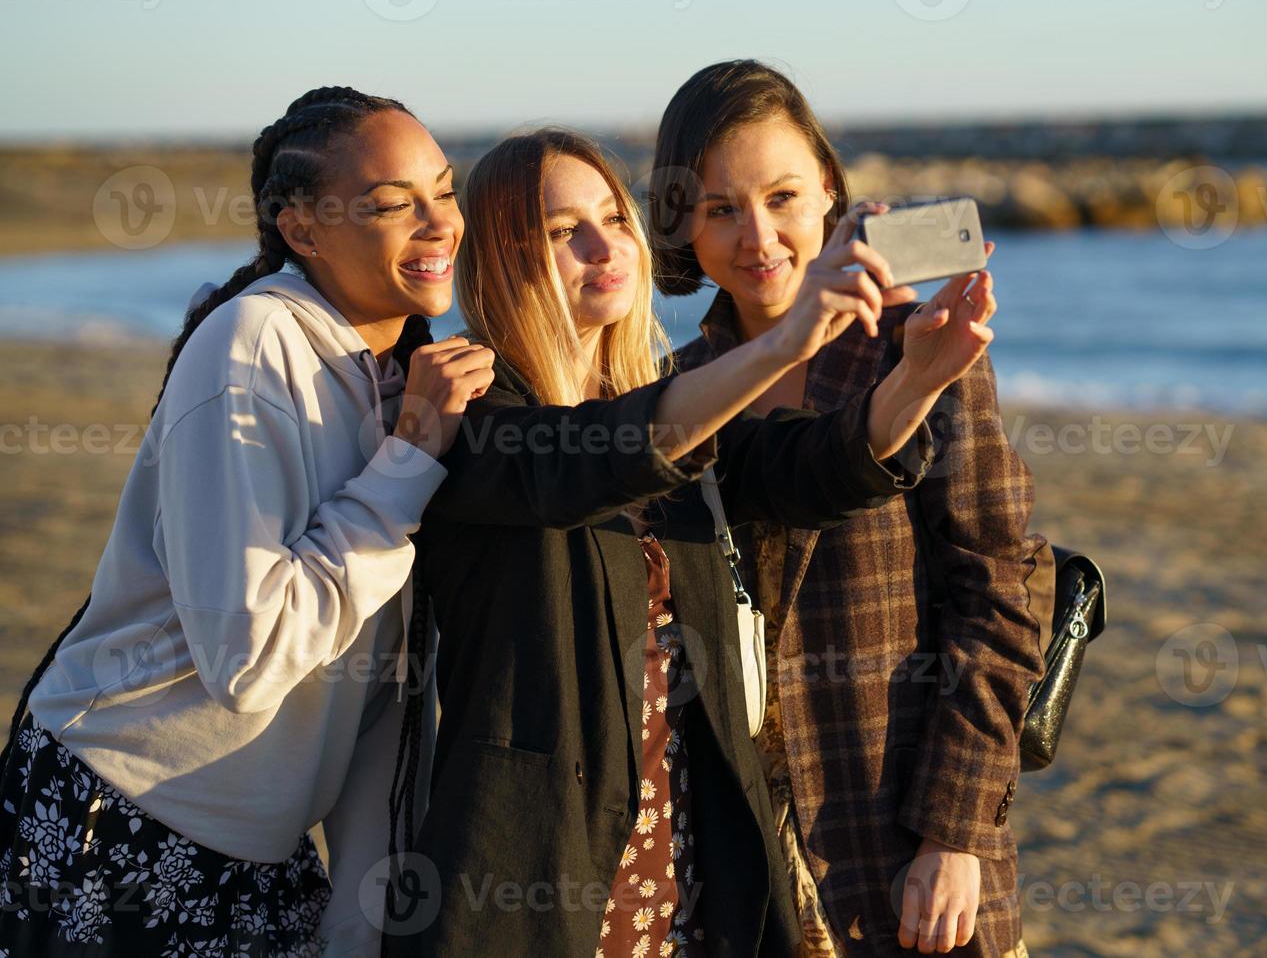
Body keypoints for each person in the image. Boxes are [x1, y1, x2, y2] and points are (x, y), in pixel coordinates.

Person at [381, 128, 998, 958]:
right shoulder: (476, 412)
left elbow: (805, 467)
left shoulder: (666, 401)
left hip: (689, 864)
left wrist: (918, 377)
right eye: (565, 233)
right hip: (539, 880)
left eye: (614, 218)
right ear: (502, 257)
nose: (607, 247)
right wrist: (786, 340)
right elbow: (592, 458)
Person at [0, 86, 494, 956]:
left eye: (445, 191)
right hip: (124, 822)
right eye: (390, 204)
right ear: (303, 229)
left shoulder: (394, 374)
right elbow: (250, 655)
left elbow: (381, 688)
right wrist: (410, 459)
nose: (438, 224)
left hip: (261, 853)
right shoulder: (254, 346)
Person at [653, 60, 1054, 957]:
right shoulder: (677, 391)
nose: (760, 237)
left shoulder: (917, 353)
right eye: (721, 209)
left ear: (831, 192)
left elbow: (999, 586)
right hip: (740, 865)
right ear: (682, 219)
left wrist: (956, 834)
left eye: (784, 197)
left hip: (902, 844)